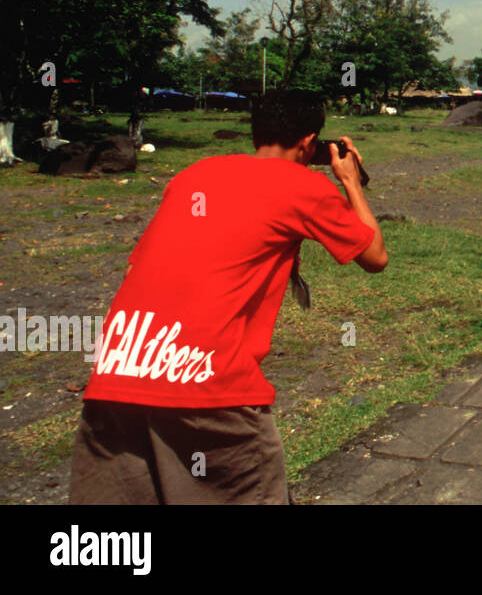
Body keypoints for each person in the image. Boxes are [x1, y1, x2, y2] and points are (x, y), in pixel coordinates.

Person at [70, 89, 386, 504]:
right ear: (309, 142)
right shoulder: (303, 185)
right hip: (207, 384)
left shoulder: (194, 175)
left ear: (255, 130)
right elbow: (374, 256)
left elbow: (135, 268)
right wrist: (348, 179)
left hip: (116, 374)